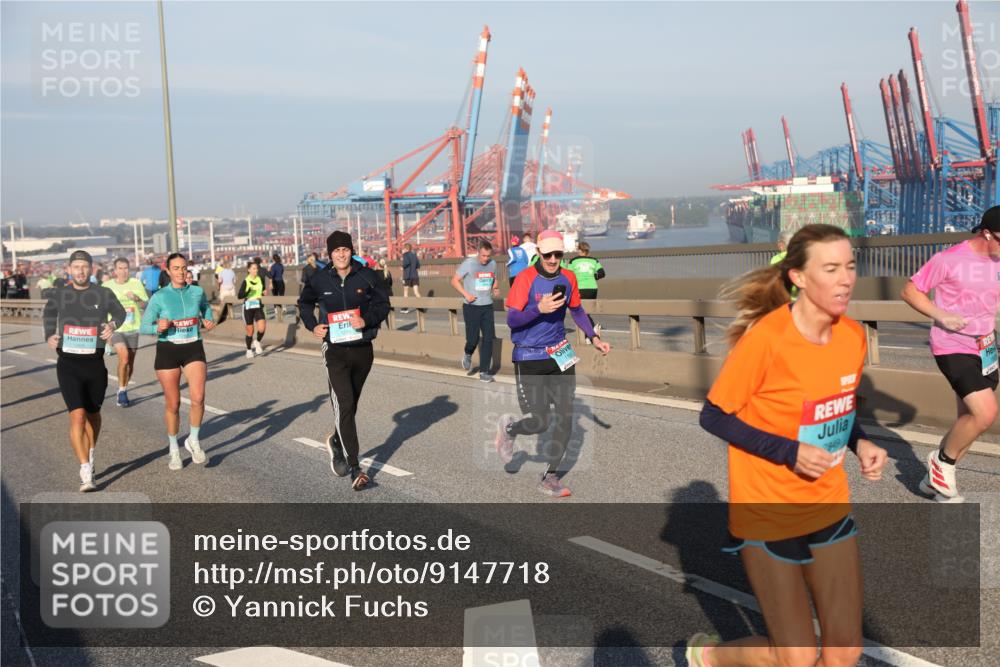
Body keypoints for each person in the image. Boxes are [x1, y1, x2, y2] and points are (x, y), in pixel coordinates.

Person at [687, 224, 888, 667]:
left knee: (844, 654)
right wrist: (789, 452)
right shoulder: (768, 339)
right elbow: (714, 415)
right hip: (768, 510)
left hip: (828, 504)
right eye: (831, 268)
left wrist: (861, 443)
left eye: (850, 267)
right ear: (798, 277)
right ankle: (710, 657)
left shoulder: (852, 336)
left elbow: (839, 405)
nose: (845, 279)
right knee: (794, 659)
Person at [495, 230, 611, 497]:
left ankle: (550, 477)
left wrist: (593, 337)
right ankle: (510, 429)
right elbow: (512, 320)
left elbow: (578, 310)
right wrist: (539, 309)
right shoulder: (526, 279)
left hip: (560, 353)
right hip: (529, 354)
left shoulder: (568, 276)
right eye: (548, 254)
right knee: (541, 421)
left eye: (558, 254)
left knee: (566, 416)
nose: (553, 259)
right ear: (538, 252)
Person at [901, 205, 1000, 503]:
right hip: (952, 345)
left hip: (986, 347)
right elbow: (910, 291)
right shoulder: (949, 259)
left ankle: (934, 483)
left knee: (968, 422)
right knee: (985, 413)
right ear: (987, 233)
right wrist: (941, 315)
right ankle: (941, 463)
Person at [298, 230, 390, 491]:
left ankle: (337, 441)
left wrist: (367, 320)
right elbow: (304, 304)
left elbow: (383, 304)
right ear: (330, 254)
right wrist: (312, 326)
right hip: (335, 351)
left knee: (351, 406)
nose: (341, 254)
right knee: (345, 404)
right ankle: (354, 467)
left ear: (351, 251)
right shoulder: (319, 279)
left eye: (345, 250)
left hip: (362, 349)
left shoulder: (366, 275)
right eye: (336, 250)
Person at [43, 250, 127, 492]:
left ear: (92, 270)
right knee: (77, 416)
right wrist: (49, 334)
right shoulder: (60, 294)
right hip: (68, 364)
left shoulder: (103, 293)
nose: (80, 271)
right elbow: (49, 314)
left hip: (95, 365)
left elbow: (120, 313)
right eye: (76, 267)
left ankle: (90, 452)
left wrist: (112, 325)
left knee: (93, 415)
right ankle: (85, 471)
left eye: (84, 267)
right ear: (69, 269)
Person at [141, 253, 216, 471]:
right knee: (173, 404)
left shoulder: (197, 292)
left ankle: (193, 440)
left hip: (193, 347)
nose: (181, 272)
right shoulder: (159, 297)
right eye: (176, 268)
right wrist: (158, 327)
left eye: (184, 268)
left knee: (198, 398)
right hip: (168, 350)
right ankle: (173, 448)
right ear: (168, 271)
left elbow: (206, 309)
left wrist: (208, 319)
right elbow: (144, 326)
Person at [452, 241, 501, 382]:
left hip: (487, 305)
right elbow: (454, 281)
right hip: (471, 306)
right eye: (484, 255)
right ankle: (468, 353)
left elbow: (494, 279)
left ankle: (484, 372)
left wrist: (495, 288)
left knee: (488, 338)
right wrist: (466, 295)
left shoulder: (492, 264)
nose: (486, 259)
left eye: (488, 256)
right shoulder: (469, 263)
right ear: (478, 252)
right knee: (472, 339)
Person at [104, 257, 149, 407]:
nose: (123, 271)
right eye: (120, 268)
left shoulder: (136, 284)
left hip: (133, 327)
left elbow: (145, 305)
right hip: (116, 328)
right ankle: (122, 391)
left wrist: (136, 298)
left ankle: (122, 387)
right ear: (115, 270)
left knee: (130, 362)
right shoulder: (107, 286)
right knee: (123, 358)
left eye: (126, 268)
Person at [566, 241, 606, 340]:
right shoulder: (594, 260)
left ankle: (591, 333)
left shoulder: (573, 261)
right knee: (586, 312)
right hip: (592, 288)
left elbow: (568, 275)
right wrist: (592, 277)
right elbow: (602, 273)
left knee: (580, 312)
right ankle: (589, 334)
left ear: (580, 250)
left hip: (580, 288)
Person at [238, 260, 267, 358]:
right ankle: (249, 350)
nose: (256, 270)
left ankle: (257, 341)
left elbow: (261, 289)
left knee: (262, 328)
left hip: (258, 305)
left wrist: (263, 292)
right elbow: (240, 295)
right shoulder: (246, 281)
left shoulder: (260, 279)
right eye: (254, 269)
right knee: (250, 331)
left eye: (256, 268)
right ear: (249, 270)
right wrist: (249, 291)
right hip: (248, 307)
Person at [400, 243, 421, 312]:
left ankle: (405, 308)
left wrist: (402, 267)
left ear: (405, 248)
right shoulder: (414, 255)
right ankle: (421, 305)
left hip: (408, 276)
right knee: (416, 292)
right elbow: (418, 265)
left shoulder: (405, 255)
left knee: (406, 292)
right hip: (415, 275)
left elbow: (406, 262)